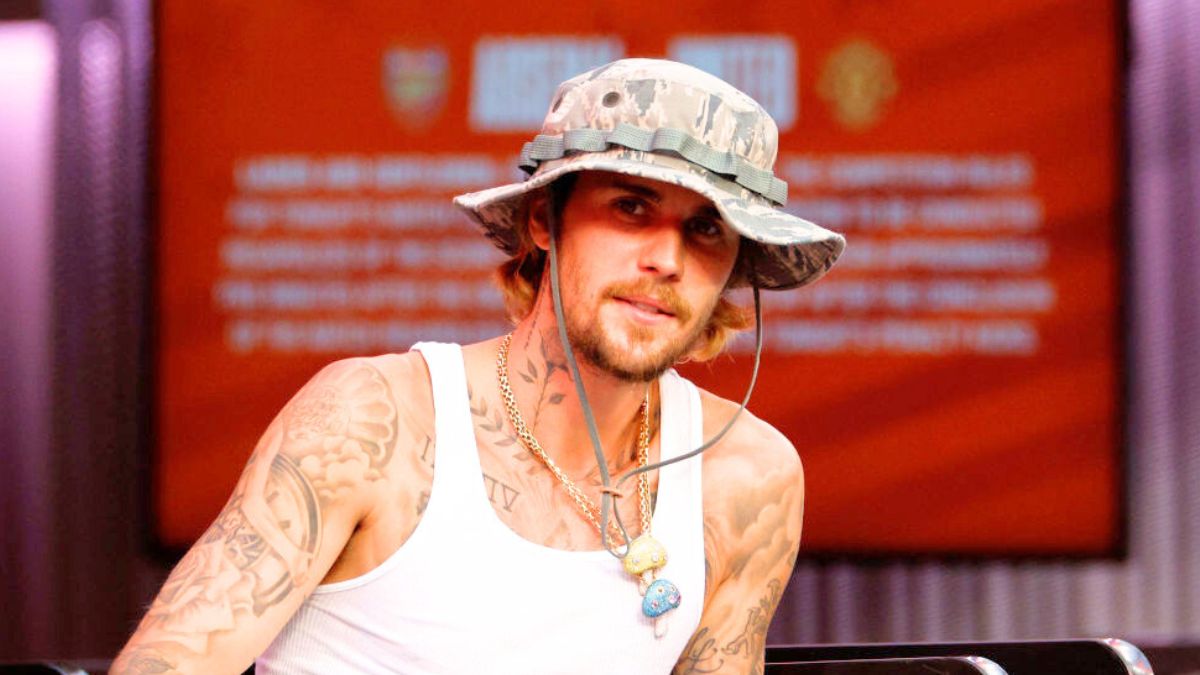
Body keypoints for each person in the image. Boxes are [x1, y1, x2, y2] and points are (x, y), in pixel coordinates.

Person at [113, 58, 844, 674]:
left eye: (707, 228)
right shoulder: (374, 420)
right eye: (630, 207)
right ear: (541, 219)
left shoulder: (748, 477)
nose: (667, 259)